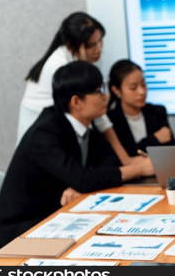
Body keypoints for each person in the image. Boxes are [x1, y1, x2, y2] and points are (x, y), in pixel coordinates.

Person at [0, 61, 154, 247]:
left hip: (59, 213)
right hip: (23, 229)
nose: (106, 96)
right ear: (76, 102)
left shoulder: (86, 123)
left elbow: (106, 162)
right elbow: (83, 178)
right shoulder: (45, 132)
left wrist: (80, 184)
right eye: (99, 91)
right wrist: (139, 169)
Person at [17, 11, 134, 165]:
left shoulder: (76, 60)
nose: (99, 49)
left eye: (100, 41)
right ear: (72, 46)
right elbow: (98, 115)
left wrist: (125, 159)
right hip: (42, 143)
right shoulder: (60, 67)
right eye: (92, 45)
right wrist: (126, 160)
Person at [107, 59, 175, 156]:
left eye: (143, 85)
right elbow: (122, 156)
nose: (141, 92)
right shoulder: (110, 120)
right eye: (133, 88)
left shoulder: (157, 112)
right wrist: (154, 139)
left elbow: (171, 151)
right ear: (116, 90)